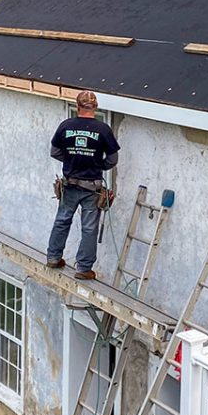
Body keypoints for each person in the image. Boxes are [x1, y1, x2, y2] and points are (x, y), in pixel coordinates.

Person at [46, 90, 120, 280]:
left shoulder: (66, 126)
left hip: (69, 184)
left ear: (77, 106)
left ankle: (53, 257)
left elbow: (55, 152)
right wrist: (98, 164)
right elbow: (113, 159)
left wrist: (70, 159)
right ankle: (83, 269)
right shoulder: (103, 130)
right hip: (92, 187)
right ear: (95, 107)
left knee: (62, 220)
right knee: (89, 228)